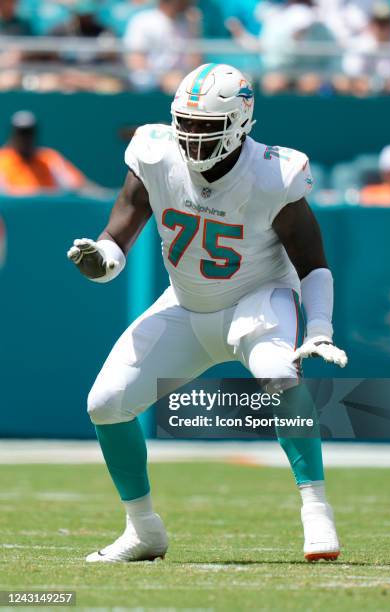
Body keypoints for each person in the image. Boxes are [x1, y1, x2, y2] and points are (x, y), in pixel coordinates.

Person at [67, 63, 347, 563]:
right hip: (187, 304)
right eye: (186, 124)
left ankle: (316, 509)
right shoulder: (154, 151)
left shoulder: (273, 173)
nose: (192, 138)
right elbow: (119, 237)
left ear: (240, 123)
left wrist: (320, 328)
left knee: (279, 372)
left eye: (205, 127)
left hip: (257, 300)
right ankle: (143, 530)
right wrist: (101, 260)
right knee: (105, 403)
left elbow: (313, 265)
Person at [0, 111, 87, 195]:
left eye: (29, 134)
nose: (25, 139)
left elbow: (78, 186)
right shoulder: (2, 159)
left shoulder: (50, 158)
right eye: (20, 134)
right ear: (12, 136)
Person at [123, 0, 201, 93]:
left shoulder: (186, 24)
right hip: (148, 86)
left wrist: (194, 29)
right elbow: (135, 60)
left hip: (179, 84)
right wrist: (162, 78)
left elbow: (195, 63)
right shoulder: (143, 20)